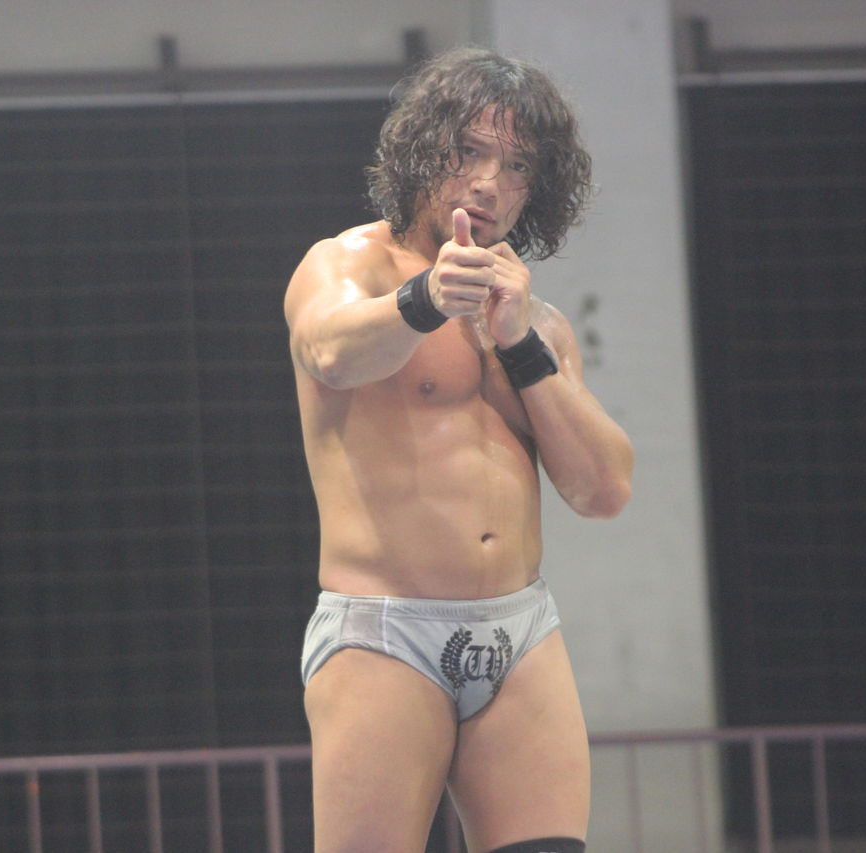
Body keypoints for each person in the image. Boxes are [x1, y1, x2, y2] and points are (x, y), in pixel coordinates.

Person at [284, 46, 633, 853]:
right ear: (423, 149)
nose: (488, 181)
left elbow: (604, 489)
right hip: (386, 633)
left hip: (519, 631)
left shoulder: (538, 323)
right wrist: (425, 299)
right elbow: (329, 351)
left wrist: (519, 343)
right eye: (468, 151)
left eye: (516, 165)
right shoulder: (349, 264)